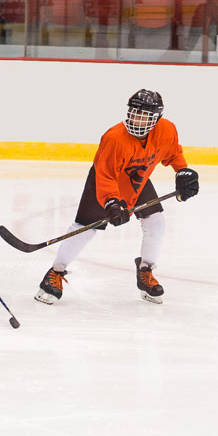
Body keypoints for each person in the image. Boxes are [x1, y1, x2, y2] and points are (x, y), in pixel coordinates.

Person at [35, 89, 199, 305]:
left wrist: (182, 171)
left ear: (156, 118)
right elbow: (105, 176)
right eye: (133, 113)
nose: (135, 120)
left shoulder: (167, 130)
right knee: (87, 227)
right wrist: (112, 202)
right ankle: (55, 273)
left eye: (143, 116)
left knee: (156, 221)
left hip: (137, 181)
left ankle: (145, 271)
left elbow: (173, 153)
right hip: (105, 182)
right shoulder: (113, 138)